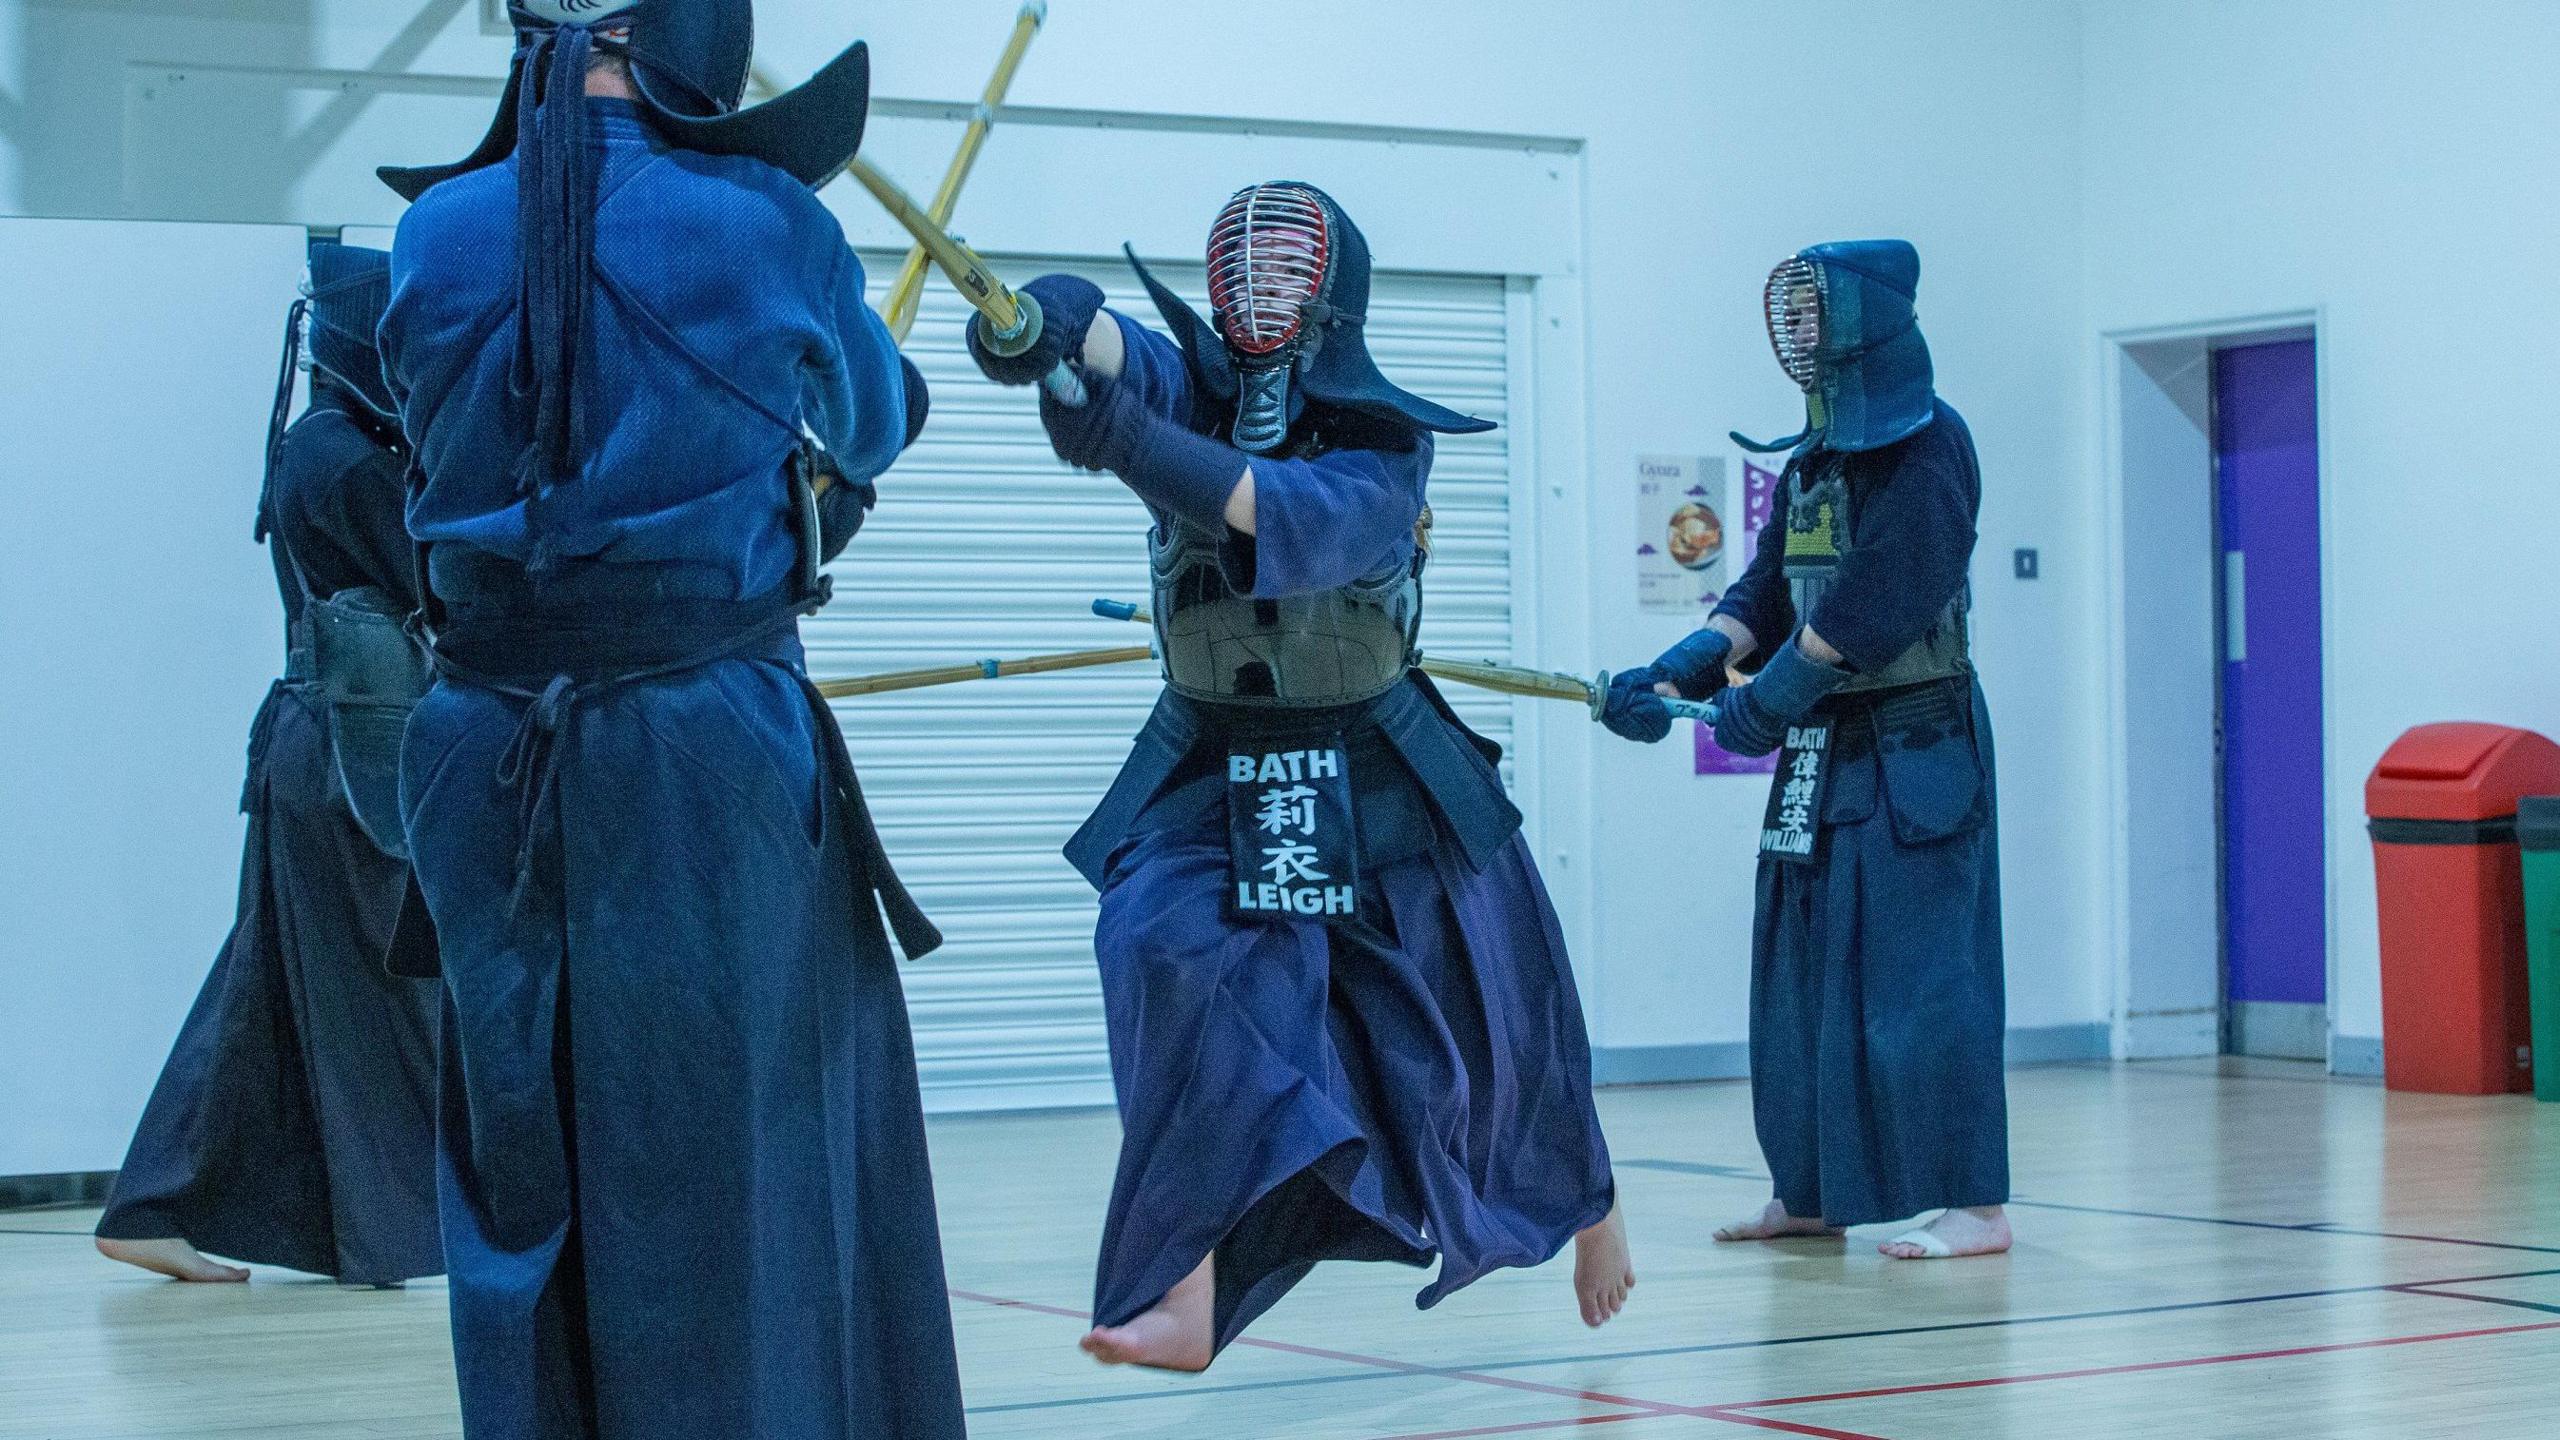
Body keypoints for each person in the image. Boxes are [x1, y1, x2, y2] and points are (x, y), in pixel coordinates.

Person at [372, 3, 963, 1434]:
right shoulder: (768, 219)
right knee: (729, 1173)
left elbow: (425, 432)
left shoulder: (434, 235)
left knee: (522, 1170)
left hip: (476, 751)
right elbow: (875, 426)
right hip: (699, 753)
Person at [967, 181, 1633, 1373]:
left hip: (1379, 764)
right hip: (1211, 761)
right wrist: (1047, 322)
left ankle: (1591, 1208)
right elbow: (1113, 344)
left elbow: (1282, 510)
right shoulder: (1194, 389)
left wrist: (1117, 435)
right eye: (1241, 266)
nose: (1256, 291)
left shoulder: (1386, 447)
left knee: (1501, 1021)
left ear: (1332, 296)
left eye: (1286, 270)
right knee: (1161, 949)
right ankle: (1182, 1279)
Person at [1601, 240, 2010, 1261]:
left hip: (1918, 741)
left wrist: (1775, 692)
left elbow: (1883, 595)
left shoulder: (1932, 449)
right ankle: (1812, 1189)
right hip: (1824, 747)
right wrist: (1685, 665)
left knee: (1923, 980)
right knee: (1798, 974)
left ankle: (1974, 1204)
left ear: (1866, 321)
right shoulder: (1815, 458)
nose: (1802, 335)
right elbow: (1768, 589)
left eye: (1816, 314)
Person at [95, 243, 443, 1289]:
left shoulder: (336, 446)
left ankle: (154, 1203)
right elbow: (437, 583)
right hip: (351, 753)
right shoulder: (339, 457)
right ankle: (409, 1228)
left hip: (330, 745)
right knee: (391, 978)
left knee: (269, 982)